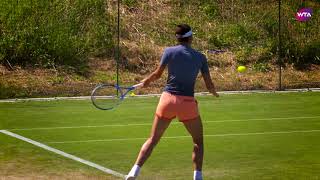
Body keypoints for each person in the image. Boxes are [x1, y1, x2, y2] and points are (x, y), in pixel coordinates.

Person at [125, 24, 219, 180]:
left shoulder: (169, 51)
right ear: (190, 37)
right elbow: (209, 85)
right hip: (187, 103)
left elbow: (157, 74)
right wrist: (214, 92)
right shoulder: (201, 57)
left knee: (153, 140)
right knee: (198, 142)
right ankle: (198, 177)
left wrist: (145, 82)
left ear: (179, 38)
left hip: (167, 101)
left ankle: (133, 172)